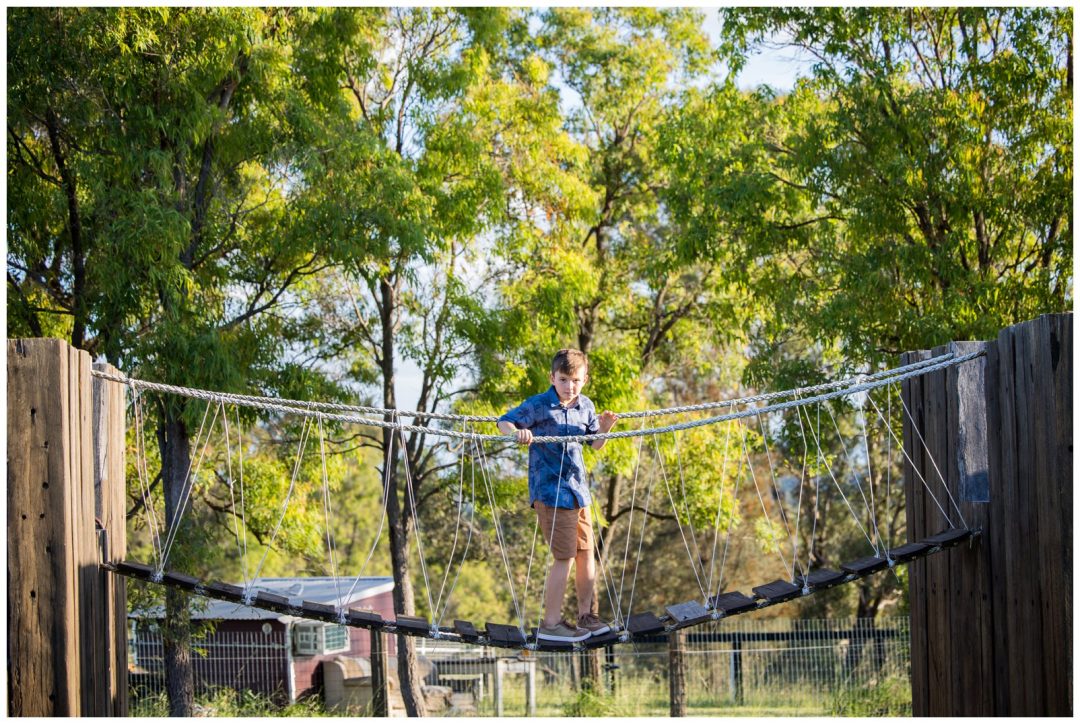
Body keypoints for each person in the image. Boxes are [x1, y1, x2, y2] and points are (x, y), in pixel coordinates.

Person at [497, 349, 619, 642]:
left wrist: (604, 429)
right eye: (563, 380)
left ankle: (586, 616)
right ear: (552, 378)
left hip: (579, 492)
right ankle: (551, 624)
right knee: (564, 556)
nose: (569, 386)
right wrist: (517, 433)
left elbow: (595, 444)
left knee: (587, 552)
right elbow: (504, 421)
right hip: (552, 493)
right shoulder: (539, 405)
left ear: (584, 380)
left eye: (575, 380)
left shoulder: (585, 406)